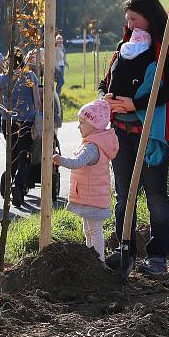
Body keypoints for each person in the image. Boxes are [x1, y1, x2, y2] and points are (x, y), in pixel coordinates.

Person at [98, 0, 169, 276]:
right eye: (127, 19)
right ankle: (124, 248)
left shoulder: (167, 50)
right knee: (124, 195)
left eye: (134, 19)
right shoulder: (123, 48)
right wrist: (107, 97)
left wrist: (134, 103)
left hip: (151, 134)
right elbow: (103, 83)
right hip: (121, 133)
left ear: (150, 19)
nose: (130, 24)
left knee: (155, 196)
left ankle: (158, 256)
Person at [52, 98, 119, 260]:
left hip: (94, 199)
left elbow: (77, 163)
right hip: (91, 197)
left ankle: (99, 260)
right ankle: (92, 259)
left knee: (95, 231)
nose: (78, 126)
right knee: (88, 230)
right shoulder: (92, 143)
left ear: (94, 124)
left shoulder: (92, 147)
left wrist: (59, 159)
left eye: (82, 122)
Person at [0, 48, 41, 207]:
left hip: (8, 122)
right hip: (27, 121)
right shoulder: (30, 77)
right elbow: (37, 102)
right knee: (24, 154)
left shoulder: (1, 79)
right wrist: (36, 119)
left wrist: (7, 115)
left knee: (12, 152)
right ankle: (19, 186)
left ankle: (10, 177)